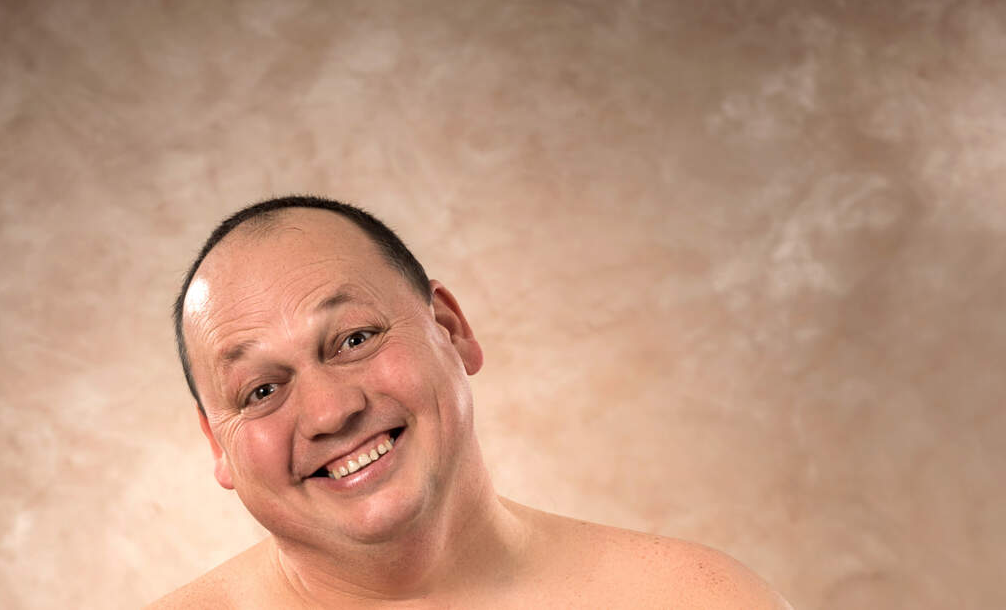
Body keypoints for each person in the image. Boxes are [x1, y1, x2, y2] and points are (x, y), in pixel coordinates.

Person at [149, 195, 791, 609]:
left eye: (354, 339)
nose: (329, 412)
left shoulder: (698, 598)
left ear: (450, 329)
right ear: (216, 444)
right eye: (262, 390)